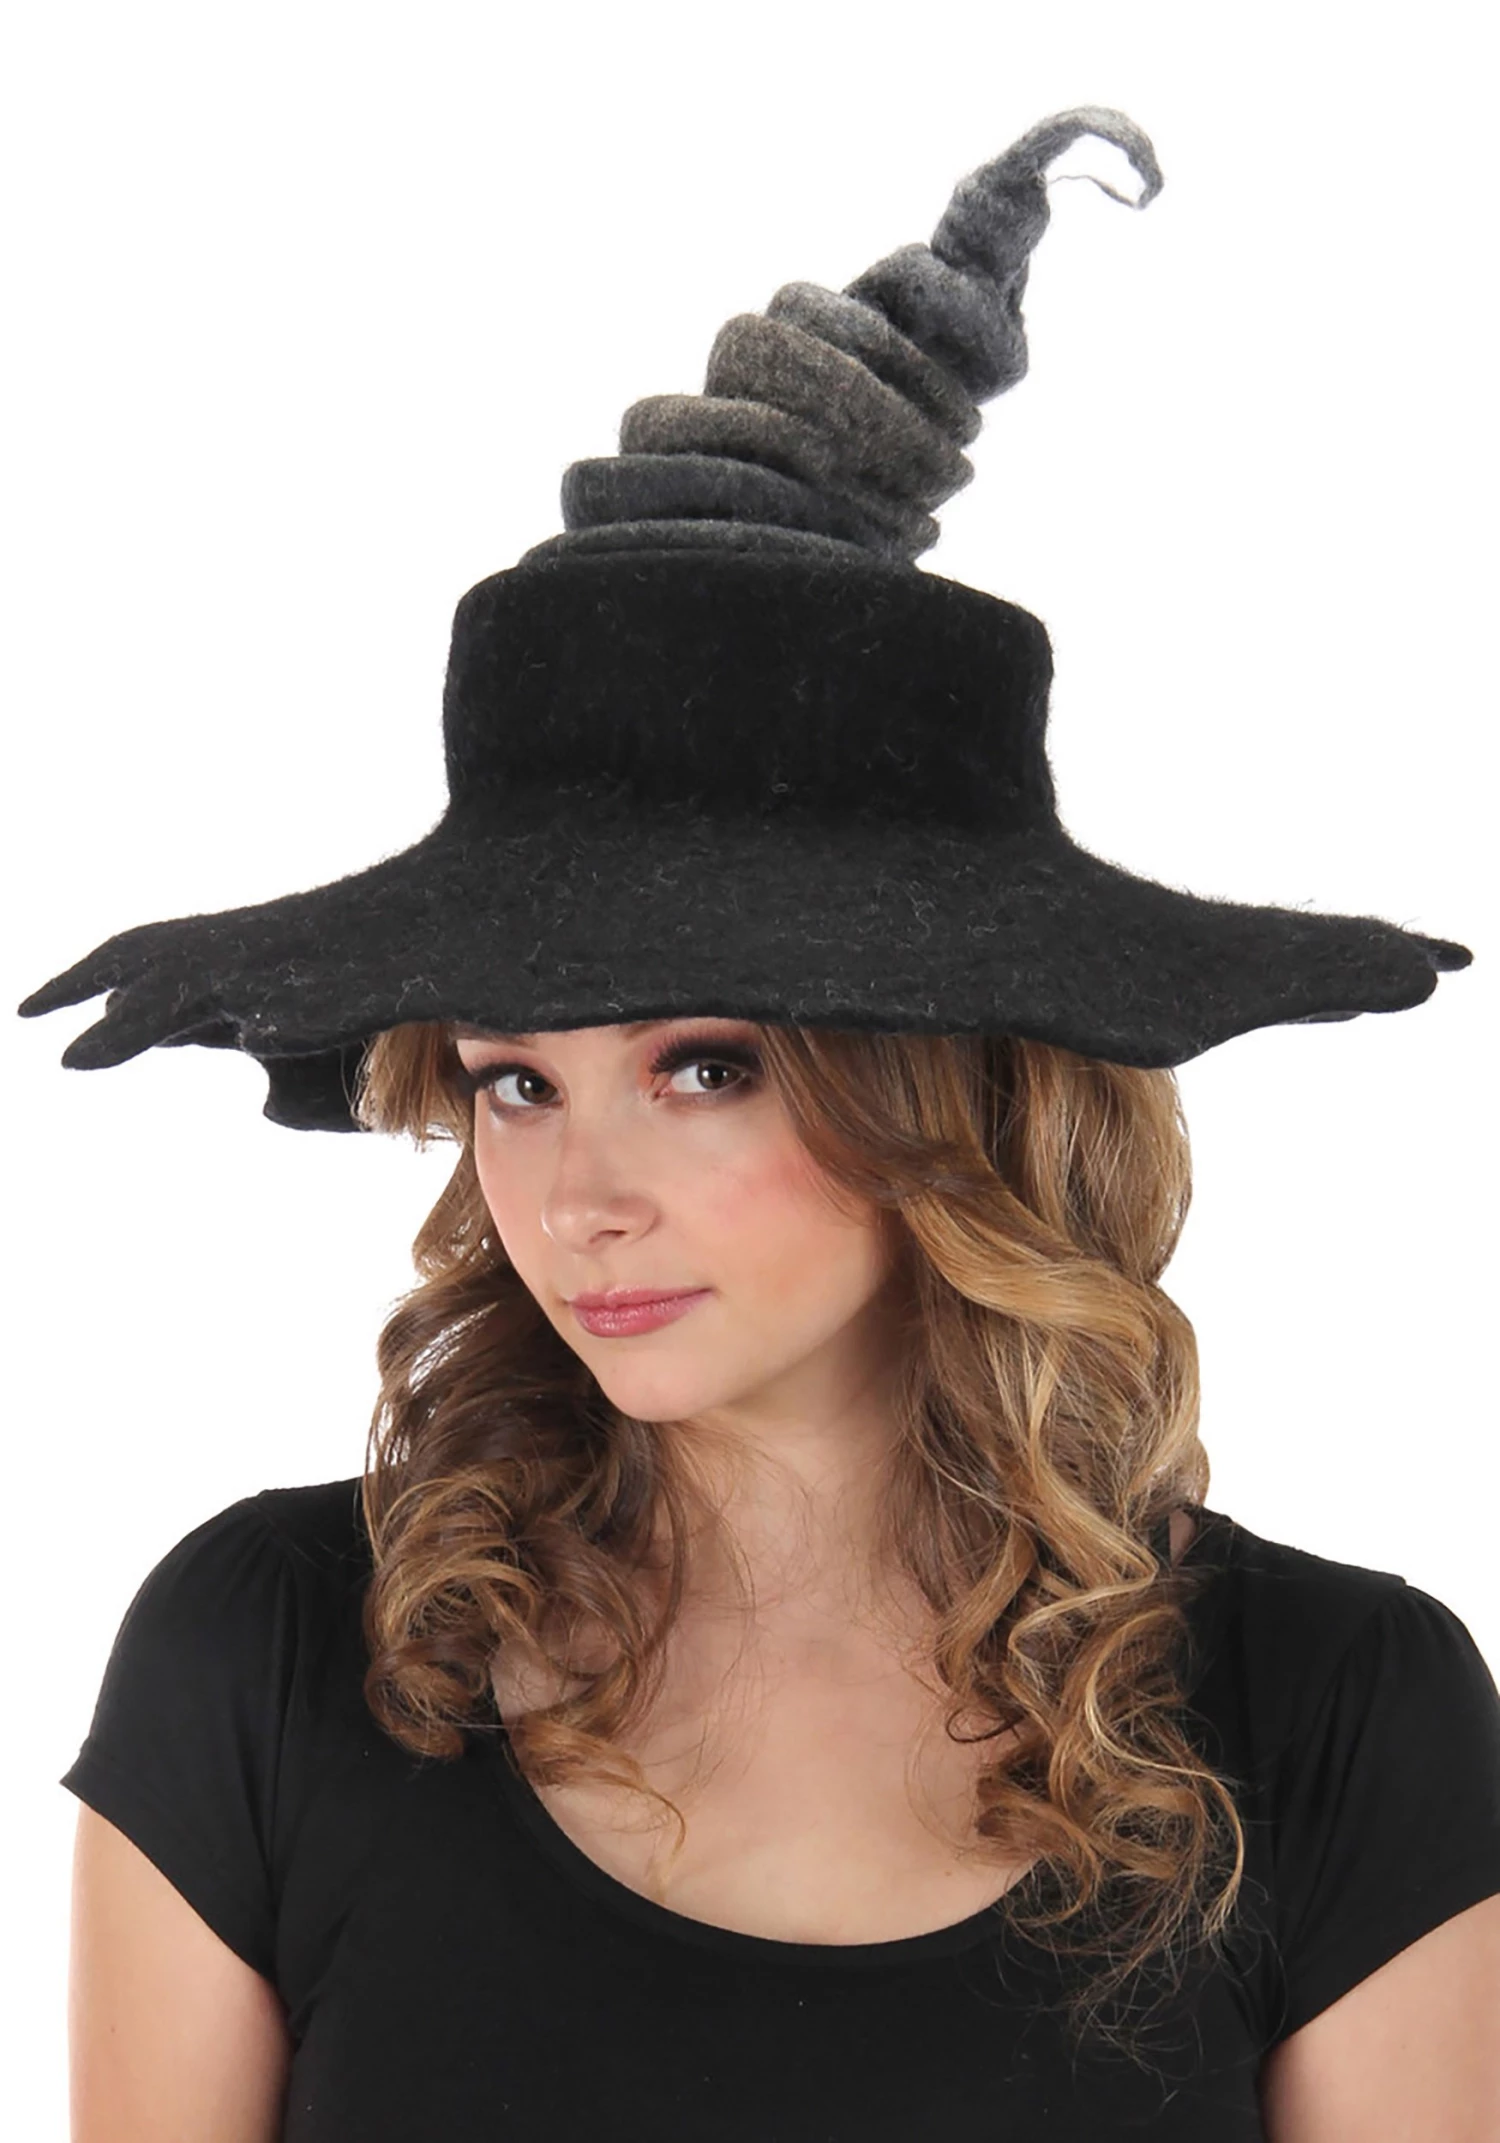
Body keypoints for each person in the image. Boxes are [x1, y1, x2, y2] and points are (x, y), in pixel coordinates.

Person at [19, 106, 1499, 2141]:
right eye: (516, 1080)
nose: (577, 1198)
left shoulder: (1330, 1714)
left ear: (952, 1082)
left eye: (704, 1066)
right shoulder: (271, 1662)